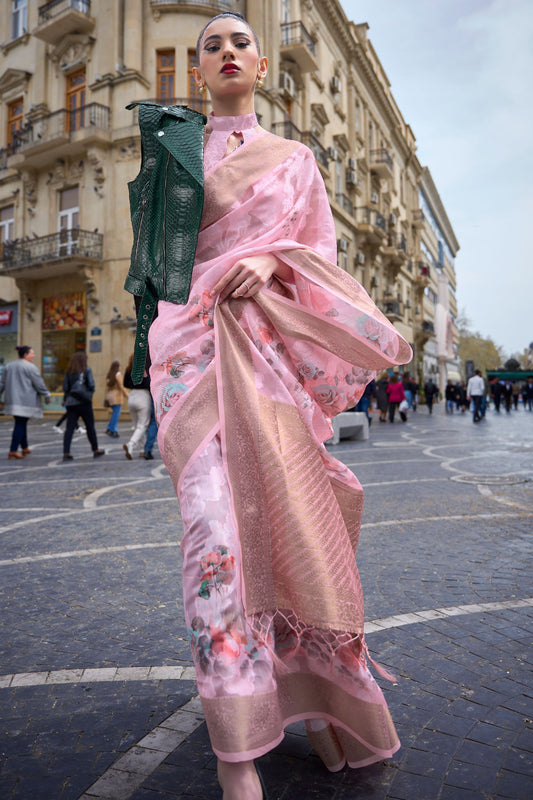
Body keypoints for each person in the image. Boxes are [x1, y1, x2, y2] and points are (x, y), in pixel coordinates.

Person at [126, 13, 411, 799]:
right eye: (209, 44)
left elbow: (318, 256)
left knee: (290, 522)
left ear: (260, 68)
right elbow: (150, 269)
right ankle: (236, 746)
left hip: (269, 356)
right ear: (195, 70)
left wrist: (265, 256)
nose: (225, 51)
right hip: (188, 356)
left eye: (238, 42)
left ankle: (317, 698)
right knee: (214, 532)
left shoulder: (294, 160)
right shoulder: (170, 150)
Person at [0, 345, 50, 459]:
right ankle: (13, 450)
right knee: (20, 424)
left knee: (21, 422)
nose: (34, 355)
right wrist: (46, 394)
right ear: (26, 355)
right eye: (32, 353)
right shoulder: (30, 367)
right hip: (25, 401)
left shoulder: (8, 366)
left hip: (12, 400)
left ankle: (25, 447)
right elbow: (39, 383)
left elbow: (1, 383)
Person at [62, 351, 105, 461]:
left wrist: (65, 399)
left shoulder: (69, 371)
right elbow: (91, 385)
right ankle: (95, 450)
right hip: (84, 403)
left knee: (69, 429)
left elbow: (66, 388)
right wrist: (88, 395)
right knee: (90, 426)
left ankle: (66, 452)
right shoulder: (87, 370)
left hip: (71, 403)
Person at [123, 353, 152, 459]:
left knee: (137, 426)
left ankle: (141, 449)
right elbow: (148, 383)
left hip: (132, 396)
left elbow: (125, 384)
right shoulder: (144, 370)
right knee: (143, 425)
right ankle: (131, 444)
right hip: (143, 396)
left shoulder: (128, 369)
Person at [105, 360, 128, 438]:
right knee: (116, 414)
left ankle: (109, 428)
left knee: (114, 413)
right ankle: (113, 430)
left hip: (110, 396)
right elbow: (121, 386)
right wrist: (127, 395)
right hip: (116, 396)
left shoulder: (109, 375)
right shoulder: (117, 374)